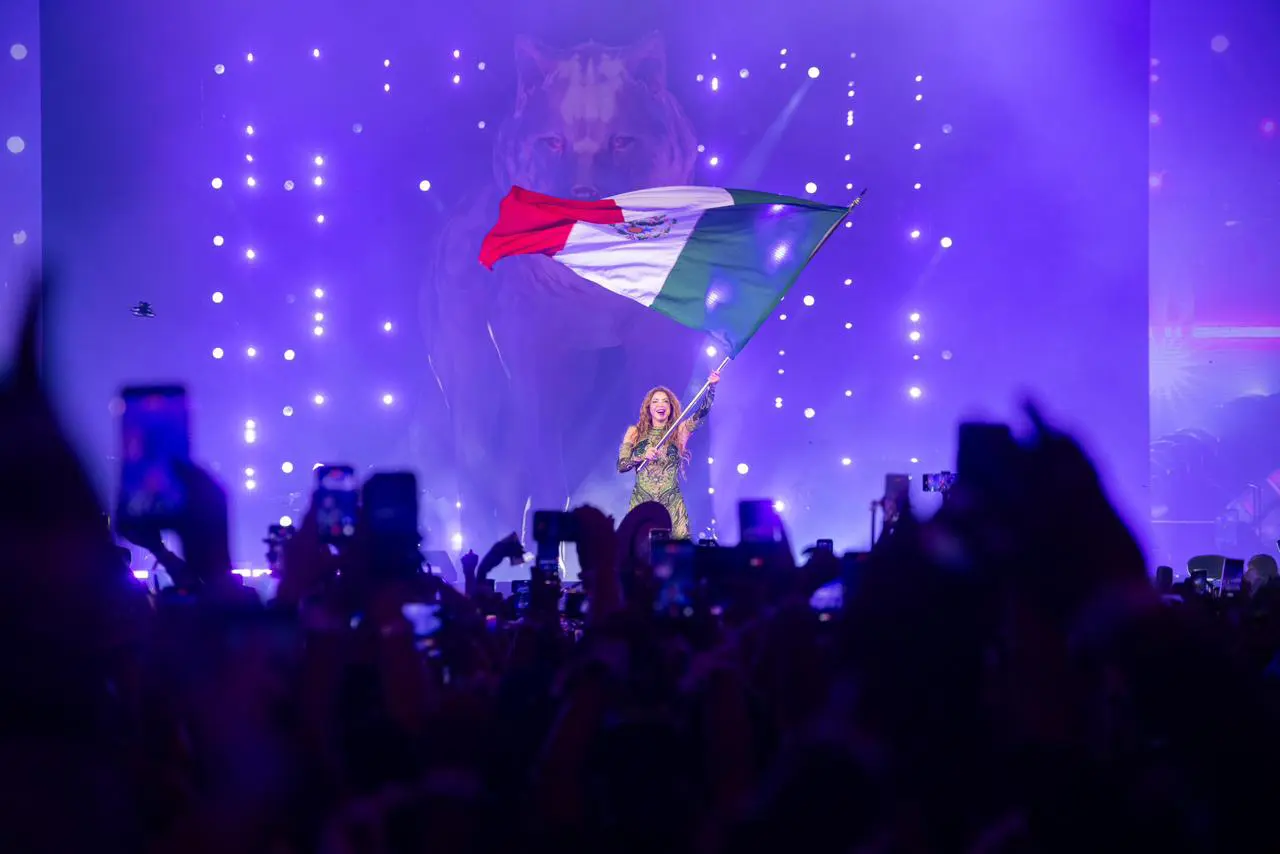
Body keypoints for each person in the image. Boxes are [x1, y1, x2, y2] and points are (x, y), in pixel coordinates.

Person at [617, 372, 720, 540]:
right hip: (642, 504)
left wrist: (712, 387)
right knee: (641, 554)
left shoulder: (680, 431)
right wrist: (641, 457)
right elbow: (621, 466)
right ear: (648, 407)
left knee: (677, 554)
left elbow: (702, 413)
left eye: (665, 401)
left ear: (671, 407)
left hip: (672, 505)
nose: (661, 404)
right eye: (655, 401)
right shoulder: (634, 432)